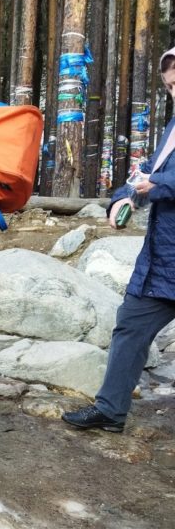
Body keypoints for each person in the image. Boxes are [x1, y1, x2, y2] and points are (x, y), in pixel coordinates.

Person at [63, 45, 175, 433]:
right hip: (162, 262)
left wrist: (155, 185)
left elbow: (160, 179)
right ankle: (110, 409)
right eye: (171, 86)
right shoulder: (172, 129)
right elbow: (147, 171)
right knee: (130, 323)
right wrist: (123, 197)